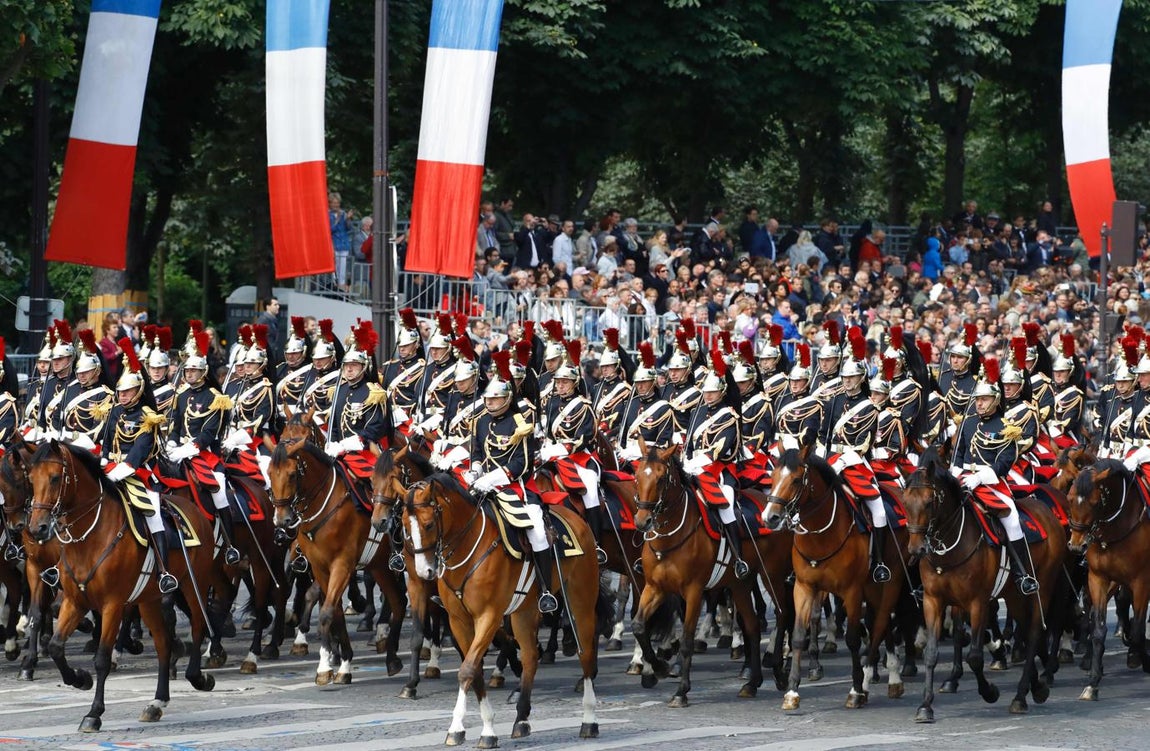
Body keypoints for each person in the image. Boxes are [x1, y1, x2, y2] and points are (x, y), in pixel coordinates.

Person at [465, 352, 558, 613]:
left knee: (537, 531)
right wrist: (475, 470)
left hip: (514, 488)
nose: (490, 403)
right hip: (482, 485)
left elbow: (522, 464)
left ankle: (545, 590)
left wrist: (493, 479)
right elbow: (477, 452)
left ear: (507, 399)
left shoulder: (520, 423)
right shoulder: (480, 421)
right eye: (488, 399)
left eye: (495, 399)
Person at [951, 357, 1039, 596]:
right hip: (963, 478)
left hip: (991, 483)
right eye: (977, 399)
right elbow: (958, 454)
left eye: (985, 399)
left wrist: (980, 477)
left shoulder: (1006, 427)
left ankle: (1023, 574)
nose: (979, 404)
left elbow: (1004, 463)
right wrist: (955, 474)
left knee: (1012, 519)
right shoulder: (968, 423)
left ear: (996, 400)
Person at [102, 339, 178, 593]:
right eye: (120, 392)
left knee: (153, 514)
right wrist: (102, 462)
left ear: (138, 391)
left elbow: (138, 453)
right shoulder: (115, 412)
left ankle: (164, 571)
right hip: (111, 469)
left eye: (127, 392)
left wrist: (118, 472)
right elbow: (106, 443)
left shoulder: (148, 416)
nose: (122, 396)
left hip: (140, 473)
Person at [166, 329, 241, 565]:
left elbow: (209, 433)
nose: (189, 374)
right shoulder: (181, 395)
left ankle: (230, 545)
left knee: (219, 491)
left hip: (205, 455)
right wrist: (171, 442)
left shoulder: (215, 397)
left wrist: (189, 448)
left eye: (194, 370)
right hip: (179, 453)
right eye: (187, 370)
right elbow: (175, 425)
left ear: (203, 372)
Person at [817, 352, 889, 582]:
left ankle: (878, 562)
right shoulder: (834, 401)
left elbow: (862, 445)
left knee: (878, 509)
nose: (847, 380)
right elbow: (823, 435)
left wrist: (841, 462)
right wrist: (821, 457)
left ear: (861, 378)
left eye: (852, 377)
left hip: (854, 463)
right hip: (829, 459)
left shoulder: (869, 408)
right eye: (844, 376)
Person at [682, 352, 749, 579]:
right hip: (693, 468)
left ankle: (738, 559)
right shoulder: (697, 412)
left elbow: (721, 448)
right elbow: (690, 443)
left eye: (712, 392)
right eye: (706, 392)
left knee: (726, 507)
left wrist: (698, 462)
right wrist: (686, 461)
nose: (708, 395)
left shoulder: (729, 416)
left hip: (719, 472)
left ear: (721, 392)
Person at [540, 342, 606, 564]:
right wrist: (547, 447)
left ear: (574, 383)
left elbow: (583, 438)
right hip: (555, 456)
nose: (560, 386)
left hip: (582, 458)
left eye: (565, 382)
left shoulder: (583, 406)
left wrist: (559, 449)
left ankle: (596, 542)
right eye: (558, 382)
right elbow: (550, 433)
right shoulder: (551, 403)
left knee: (589, 489)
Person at [328, 192, 355, 290]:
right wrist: (339, 220)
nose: (336, 205)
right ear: (330, 203)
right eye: (334, 203)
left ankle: (342, 286)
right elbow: (330, 230)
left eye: (337, 203)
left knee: (343, 268)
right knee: (334, 267)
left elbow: (350, 228)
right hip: (333, 244)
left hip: (343, 244)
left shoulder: (343, 213)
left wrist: (348, 219)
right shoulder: (327, 214)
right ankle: (334, 285)